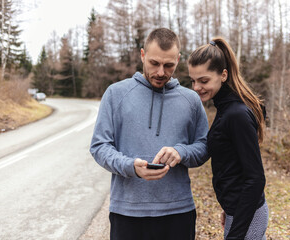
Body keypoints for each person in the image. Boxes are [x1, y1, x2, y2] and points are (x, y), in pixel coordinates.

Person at [90, 28, 209, 240]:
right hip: (127, 213)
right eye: (154, 63)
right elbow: (100, 147)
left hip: (178, 212)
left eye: (169, 65)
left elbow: (204, 146)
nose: (161, 72)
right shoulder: (116, 94)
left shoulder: (191, 100)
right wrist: (130, 166)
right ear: (143, 55)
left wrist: (181, 152)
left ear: (178, 60)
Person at [188, 37, 268, 240]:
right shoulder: (225, 109)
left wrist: (237, 231)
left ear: (223, 75)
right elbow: (232, 165)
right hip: (238, 209)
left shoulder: (236, 114)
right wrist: (228, 206)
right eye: (193, 80)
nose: (197, 87)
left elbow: (256, 178)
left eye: (204, 80)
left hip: (247, 215)